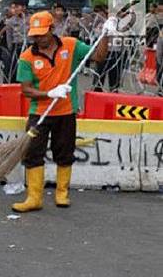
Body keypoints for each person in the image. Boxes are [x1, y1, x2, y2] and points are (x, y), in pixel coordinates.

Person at [11, 11, 114, 213]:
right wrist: (49, 93)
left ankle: (62, 193)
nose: (38, 38)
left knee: (64, 153)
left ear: (52, 29)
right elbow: (26, 89)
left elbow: (98, 56)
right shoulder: (27, 57)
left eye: (42, 34)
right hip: (39, 113)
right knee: (33, 154)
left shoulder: (71, 45)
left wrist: (106, 35)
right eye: (35, 35)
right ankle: (34, 198)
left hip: (66, 112)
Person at [5, 0, 29, 83]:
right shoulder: (11, 21)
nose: (15, 9)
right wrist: (11, 48)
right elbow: (9, 36)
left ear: (24, 7)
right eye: (15, 7)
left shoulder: (31, 19)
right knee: (14, 68)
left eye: (18, 7)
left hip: (29, 46)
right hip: (16, 46)